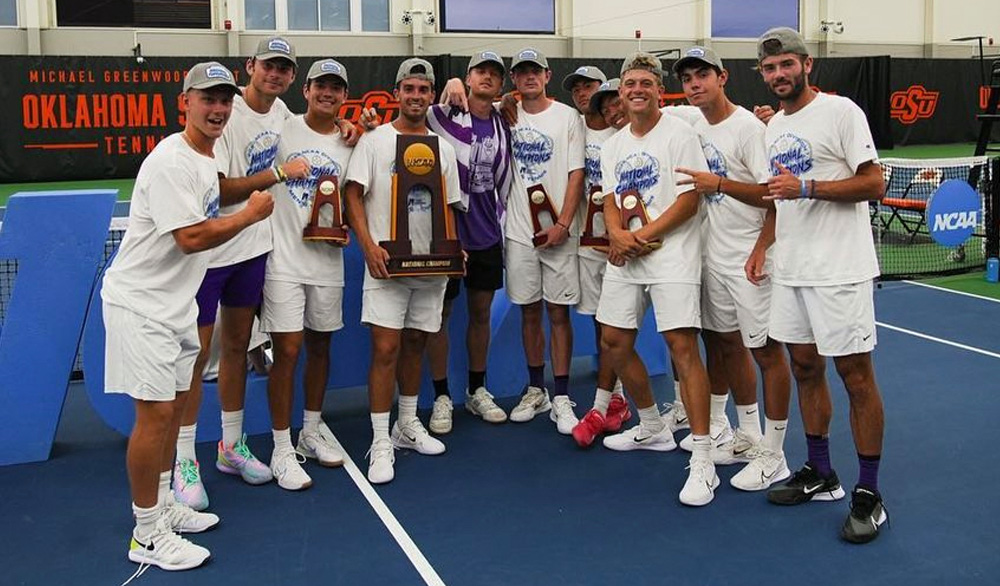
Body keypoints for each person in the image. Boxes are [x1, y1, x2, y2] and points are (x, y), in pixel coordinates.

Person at [102, 61, 273, 571]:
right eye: (207, 99)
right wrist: (251, 215)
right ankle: (146, 534)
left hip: (175, 305)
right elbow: (192, 236)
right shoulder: (171, 160)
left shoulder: (207, 154)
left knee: (175, 408)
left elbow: (215, 193)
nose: (218, 109)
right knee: (154, 418)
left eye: (224, 100)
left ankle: (164, 507)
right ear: (185, 103)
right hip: (142, 306)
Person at [754, 27, 888, 543]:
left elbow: (874, 182)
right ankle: (820, 472)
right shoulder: (772, 128)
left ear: (807, 65)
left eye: (787, 64)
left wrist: (807, 186)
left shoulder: (842, 112)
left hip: (840, 269)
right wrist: (764, 245)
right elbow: (777, 197)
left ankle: (870, 493)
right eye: (769, 69)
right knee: (805, 368)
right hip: (792, 269)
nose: (779, 75)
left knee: (856, 378)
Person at [171, 36, 308, 507]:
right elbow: (222, 188)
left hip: (255, 251)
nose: (275, 74)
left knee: (235, 348)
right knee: (197, 353)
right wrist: (277, 175)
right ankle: (184, 458)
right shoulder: (228, 115)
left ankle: (231, 447)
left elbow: (317, 132)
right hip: (212, 253)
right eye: (268, 65)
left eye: (284, 68)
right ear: (251, 66)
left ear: (292, 77)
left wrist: (353, 125)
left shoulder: (285, 115)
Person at [670, 46, 794, 490]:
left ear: (722, 77)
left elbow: (773, 193)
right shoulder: (689, 122)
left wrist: (762, 245)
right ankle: (746, 432)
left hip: (750, 258)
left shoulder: (748, 128)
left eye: (702, 75)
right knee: (725, 345)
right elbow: (631, 110)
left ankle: (775, 454)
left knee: (766, 352)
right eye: (687, 79)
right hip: (712, 257)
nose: (694, 84)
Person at [597, 52, 717, 506]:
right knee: (613, 341)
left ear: (657, 89)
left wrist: (639, 236)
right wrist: (616, 234)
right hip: (629, 255)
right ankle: (651, 425)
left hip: (673, 256)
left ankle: (703, 460)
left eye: (646, 82)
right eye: (630, 83)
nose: (637, 90)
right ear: (622, 90)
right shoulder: (613, 146)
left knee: (682, 347)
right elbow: (609, 198)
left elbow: (690, 203)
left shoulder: (680, 135)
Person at [343, 58, 464, 484]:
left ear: (432, 96)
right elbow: (352, 195)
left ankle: (407, 425)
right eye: (409, 89)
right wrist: (369, 245)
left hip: (432, 268)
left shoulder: (443, 148)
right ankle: (379, 439)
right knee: (386, 349)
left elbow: (449, 207)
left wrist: (454, 251)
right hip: (387, 267)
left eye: (423, 90)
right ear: (397, 93)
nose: (416, 96)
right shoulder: (374, 142)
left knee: (416, 344)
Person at [259, 58, 356, 490]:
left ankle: (311, 431)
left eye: (336, 88)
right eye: (321, 86)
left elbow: (356, 200)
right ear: (307, 90)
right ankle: (281, 447)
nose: (327, 94)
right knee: (288, 351)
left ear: (344, 96)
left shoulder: (353, 141)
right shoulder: (282, 127)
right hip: (282, 262)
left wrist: (348, 229)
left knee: (320, 347)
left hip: (327, 263)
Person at [423, 50, 514, 434]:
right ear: (468, 76)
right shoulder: (440, 117)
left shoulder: (504, 122)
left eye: (494, 73)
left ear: (500, 84)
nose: (487, 78)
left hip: (487, 232)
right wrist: (450, 86)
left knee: (480, 313)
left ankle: (477, 389)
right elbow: (410, 111)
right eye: (480, 72)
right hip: (446, 235)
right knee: (439, 316)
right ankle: (442, 395)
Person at [504, 48, 586, 435]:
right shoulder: (507, 113)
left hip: (559, 231)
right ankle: (536, 389)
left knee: (559, 312)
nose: (529, 78)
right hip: (519, 231)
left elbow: (576, 173)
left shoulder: (568, 116)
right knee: (529, 311)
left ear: (547, 75)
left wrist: (565, 223)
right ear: (515, 80)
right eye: (521, 73)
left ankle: (562, 395)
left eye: (535, 71)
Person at [561, 69, 634, 448]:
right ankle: (615, 393)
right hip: (589, 242)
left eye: (590, 86)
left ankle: (621, 399)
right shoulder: (572, 126)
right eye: (576, 88)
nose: (583, 93)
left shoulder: (634, 132)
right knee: (600, 321)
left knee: (629, 325)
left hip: (632, 242)